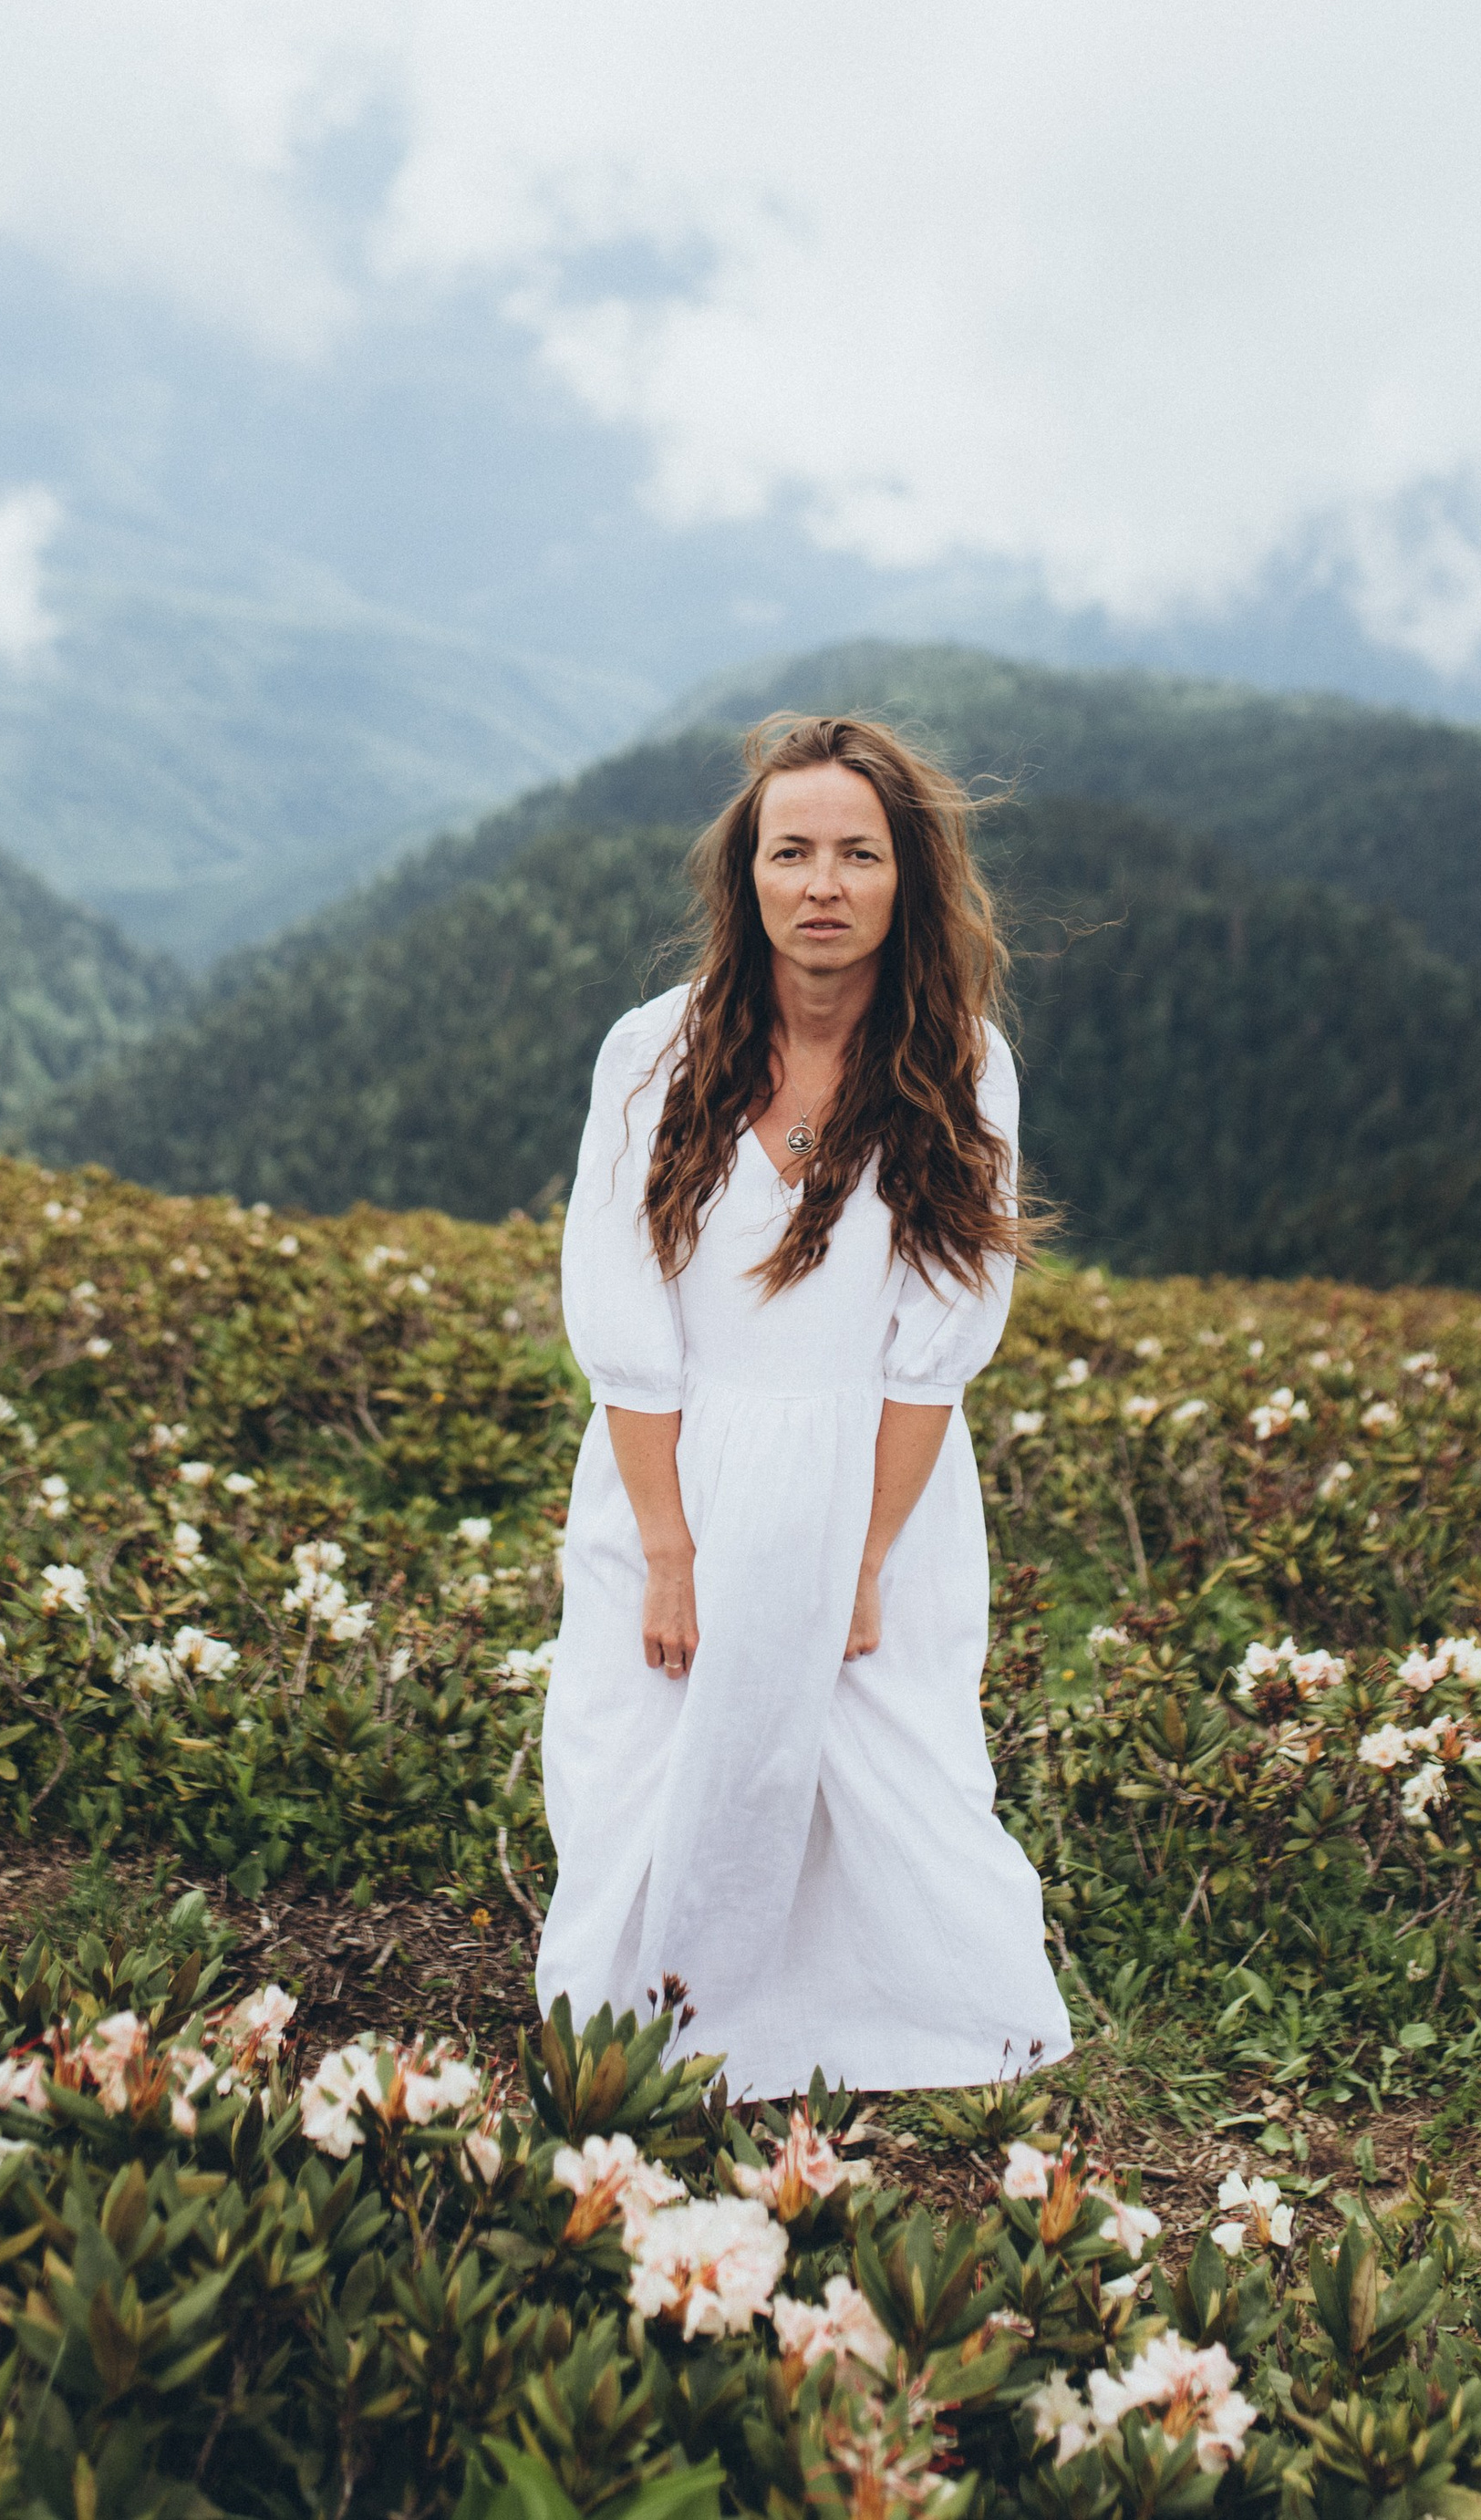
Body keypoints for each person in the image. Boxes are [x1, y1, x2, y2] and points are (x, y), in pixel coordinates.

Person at [534, 709, 1073, 2099]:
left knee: (888, 1755)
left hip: (874, 1474)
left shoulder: (961, 1065)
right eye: (791, 852)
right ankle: (649, 2029)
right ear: (748, 873)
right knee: (646, 1753)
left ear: (907, 879)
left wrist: (867, 1557)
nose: (822, 885)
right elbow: (626, 1324)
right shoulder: (652, 1054)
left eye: (857, 854)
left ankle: (884, 2023)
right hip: (676, 1468)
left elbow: (932, 1347)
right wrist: (668, 1550)